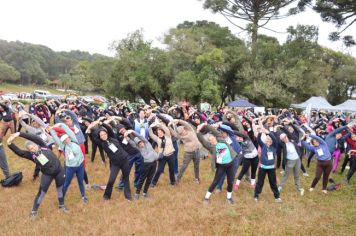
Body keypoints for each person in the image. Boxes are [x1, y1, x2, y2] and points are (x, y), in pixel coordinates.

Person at [7, 132, 67, 219]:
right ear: (29, 150)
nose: (33, 149)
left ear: (36, 144)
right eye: (31, 149)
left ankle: (62, 206)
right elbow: (19, 152)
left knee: (60, 188)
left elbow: (33, 137)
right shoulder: (32, 156)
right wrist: (9, 144)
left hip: (59, 171)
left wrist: (19, 134)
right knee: (42, 192)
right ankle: (34, 212)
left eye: (34, 146)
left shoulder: (43, 145)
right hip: (47, 174)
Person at [87, 120, 132, 201]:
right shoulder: (101, 143)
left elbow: (108, 128)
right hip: (115, 164)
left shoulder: (112, 137)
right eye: (101, 135)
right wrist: (89, 129)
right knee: (111, 180)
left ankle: (128, 197)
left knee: (126, 178)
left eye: (104, 134)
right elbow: (92, 137)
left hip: (125, 160)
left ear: (107, 134)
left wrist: (101, 123)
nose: (103, 136)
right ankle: (106, 197)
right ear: (99, 137)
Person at [197, 123, 236, 204]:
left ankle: (229, 198)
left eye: (212, 138)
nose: (212, 140)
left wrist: (206, 125)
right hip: (221, 166)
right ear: (210, 142)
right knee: (215, 182)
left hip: (230, 164)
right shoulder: (211, 148)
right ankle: (206, 198)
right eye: (210, 140)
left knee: (230, 182)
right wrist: (197, 132)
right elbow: (202, 141)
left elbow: (214, 131)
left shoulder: (222, 140)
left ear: (215, 137)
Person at [49, 123, 87, 203]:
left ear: (69, 137)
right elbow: (56, 138)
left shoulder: (75, 141)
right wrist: (51, 130)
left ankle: (83, 196)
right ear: (63, 141)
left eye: (67, 138)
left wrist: (61, 125)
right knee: (66, 183)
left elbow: (68, 130)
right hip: (70, 168)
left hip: (80, 166)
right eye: (64, 140)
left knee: (80, 181)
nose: (66, 140)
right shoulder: (63, 146)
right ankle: (61, 198)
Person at [254, 118, 281, 203]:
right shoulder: (263, 146)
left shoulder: (274, 147)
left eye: (269, 140)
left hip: (271, 168)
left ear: (271, 141)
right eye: (267, 139)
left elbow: (275, 139)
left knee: (273, 183)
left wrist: (268, 133)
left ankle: (277, 197)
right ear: (265, 141)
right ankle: (256, 195)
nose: (268, 140)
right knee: (260, 182)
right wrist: (260, 132)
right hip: (262, 167)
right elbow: (258, 140)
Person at [127, 131, 159, 199]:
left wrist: (132, 131)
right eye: (139, 143)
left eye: (141, 142)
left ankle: (144, 193)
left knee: (149, 179)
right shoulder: (139, 148)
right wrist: (127, 138)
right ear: (137, 145)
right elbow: (132, 143)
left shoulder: (147, 143)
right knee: (142, 179)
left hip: (154, 163)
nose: (141, 144)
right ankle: (137, 193)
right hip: (146, 165)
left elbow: (140, 136)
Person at [169, 119, 202, 184]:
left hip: (197, 151)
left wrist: (179, 121)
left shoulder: (190, 129)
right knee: (184, 166)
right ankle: (178, 179)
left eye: (182, 131)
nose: (182, 133)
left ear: (184, 129)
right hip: (188, 153)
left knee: (196, 166)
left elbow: (186, 124)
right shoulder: (181, 136)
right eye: (180, 133)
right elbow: (174, 134)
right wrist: (169, 127)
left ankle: (197, 179)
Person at [149, 122, 176, 187]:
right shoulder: (157, 139)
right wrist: (150, 127)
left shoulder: (168, 136)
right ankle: (153, 183)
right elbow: (151, 134)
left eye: (160, 132)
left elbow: (166, 129)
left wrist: (160, 124)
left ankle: (173, 182)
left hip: (171, 155)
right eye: (158, 133)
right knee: (159, 170)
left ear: (163, 132)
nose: (159, 133)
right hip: (163, 157)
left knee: (171, 170)